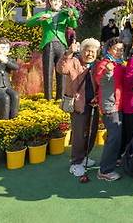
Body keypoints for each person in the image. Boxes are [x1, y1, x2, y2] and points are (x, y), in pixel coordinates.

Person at [56, 38, 101, 177]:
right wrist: (69, 53)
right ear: (82, 51)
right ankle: (76, 162)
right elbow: (61, 68)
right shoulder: (74, 62)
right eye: (87, 51)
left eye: (93, 51)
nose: (90, 54)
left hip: (93, 105)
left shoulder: (97, 65)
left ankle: (84, 157)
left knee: (91, 132)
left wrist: (98, 97)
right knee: (79, 135)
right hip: (78, 105)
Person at [25, 0, 79, 100]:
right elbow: (28, 23)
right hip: (48, 43)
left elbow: (74, 25)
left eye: (59, 1)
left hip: (61, 44)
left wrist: (72, 16)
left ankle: (60, 97)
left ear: (61, 3)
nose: (57, 3)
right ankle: (48, 98)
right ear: (50, 2)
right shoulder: (45, 13)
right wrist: (40, 19)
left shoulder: (64, 14)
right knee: (48, 71)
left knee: (62, 71)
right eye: (54, 1)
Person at [94, 37, 125, 181]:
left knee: (116, 137)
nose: (119, 52)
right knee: (114, 138)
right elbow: (100, 81)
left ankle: (113, 161)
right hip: (110, 107)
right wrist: (108, 72)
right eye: (116, 49)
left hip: (119, 105)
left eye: (121, 49)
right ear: (108, 50)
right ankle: (105, 170)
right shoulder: (105, 64)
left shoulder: (119, 64)